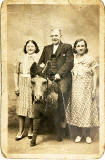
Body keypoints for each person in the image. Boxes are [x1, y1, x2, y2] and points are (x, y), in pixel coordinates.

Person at [38, 28, 74, 136]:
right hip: (49, 78)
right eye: (52, 36)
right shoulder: (46, 48)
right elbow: (40, 63)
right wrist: (42, 70)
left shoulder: (67, 47)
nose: (54, 37)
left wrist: (59, 74)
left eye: (56, 35)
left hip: (62, 78)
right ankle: (45, 125)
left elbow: (69, 63)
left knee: (61, 96)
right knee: (41, 94)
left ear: (60, 36)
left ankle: (62, 126)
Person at [66, 39, 99, 144]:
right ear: (75, 48)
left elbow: (95, 75)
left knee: (87, 111)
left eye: (82, 46)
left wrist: (94, 89)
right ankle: (79, 134)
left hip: (87, 89)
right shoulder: (73, 59)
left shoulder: (90, 59)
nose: (80, 48)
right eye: (78, 46)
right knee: (78, 111)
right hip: (75, 89)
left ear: (85, 47)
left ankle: (88, 135)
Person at [14, 40, 40, 140]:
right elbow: (16, 72)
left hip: (33, 84)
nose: (30, 48)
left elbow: (40, 74)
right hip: (22, 84)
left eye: (32, 46)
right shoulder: (20, 58)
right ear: (25, 48)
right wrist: (16, 86)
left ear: (35, 48)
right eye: (28, 46)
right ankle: (20, 131)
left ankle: (30, 130)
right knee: (21, 107)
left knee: (32, 107)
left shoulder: (38, 58)